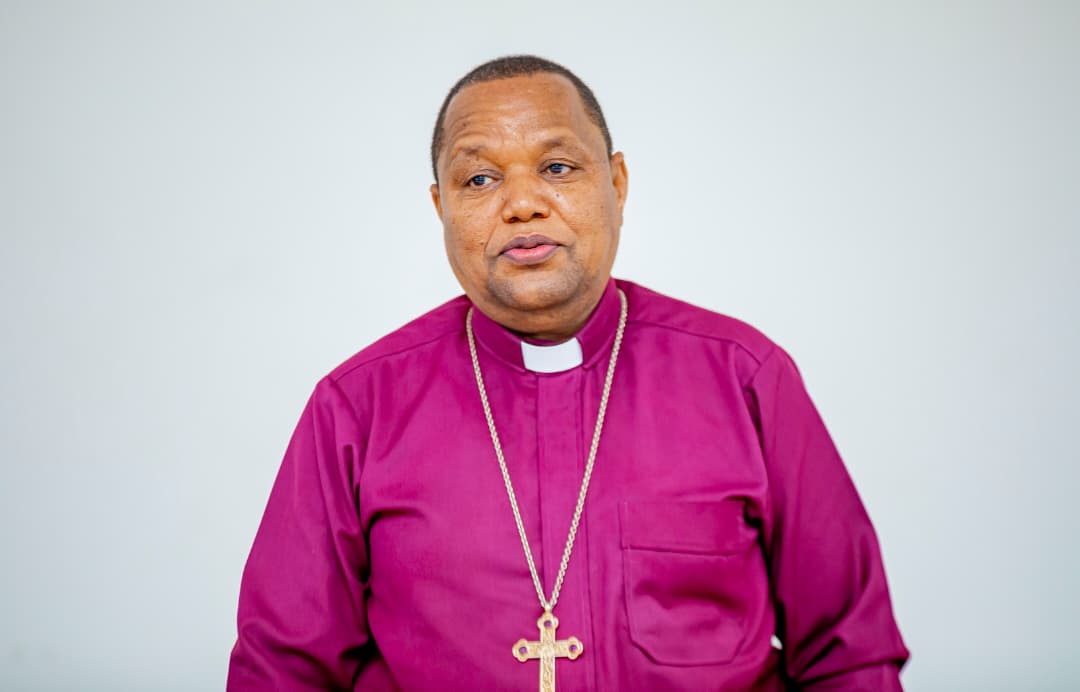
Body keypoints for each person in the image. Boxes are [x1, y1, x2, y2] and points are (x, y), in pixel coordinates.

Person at [228, 55, 909, 691]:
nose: (522, 203)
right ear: (441, 209)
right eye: (479, 179)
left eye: (557, 167)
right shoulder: (357, 407)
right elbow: (280, 671)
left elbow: (850, 653)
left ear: (616, 183)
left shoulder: (746, 378)